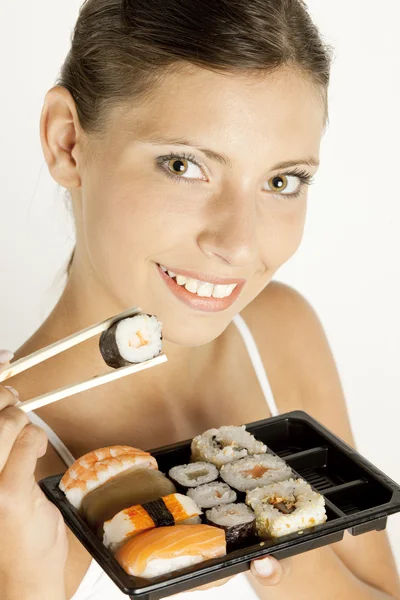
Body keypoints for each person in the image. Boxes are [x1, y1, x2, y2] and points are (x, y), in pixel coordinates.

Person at [0, 0, 399, 599]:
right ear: (67, 143)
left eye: (281, 180)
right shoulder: (13, 476)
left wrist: (273, 527)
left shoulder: (280, 330)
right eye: (184, 164)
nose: (239, 245)